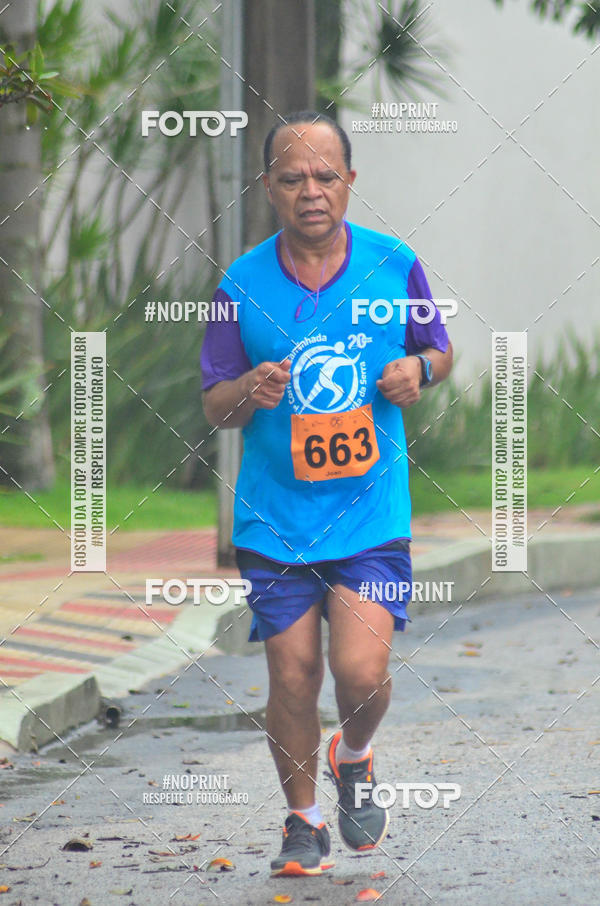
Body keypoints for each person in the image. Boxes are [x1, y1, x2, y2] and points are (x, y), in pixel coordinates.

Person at [201, 111, 453, 877]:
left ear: (350, 181)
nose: (311, 191)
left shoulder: (393, 262)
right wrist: (248, 387)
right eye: (292, 178)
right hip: (275, 518)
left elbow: (438, 349)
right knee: (292, 674)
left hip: (370, 514)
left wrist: (423, 372)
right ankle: (302, 822)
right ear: (269, 188)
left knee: (360, 672)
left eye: (325, 176)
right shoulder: (239, 284)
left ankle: (358, 751)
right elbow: (215, 403)